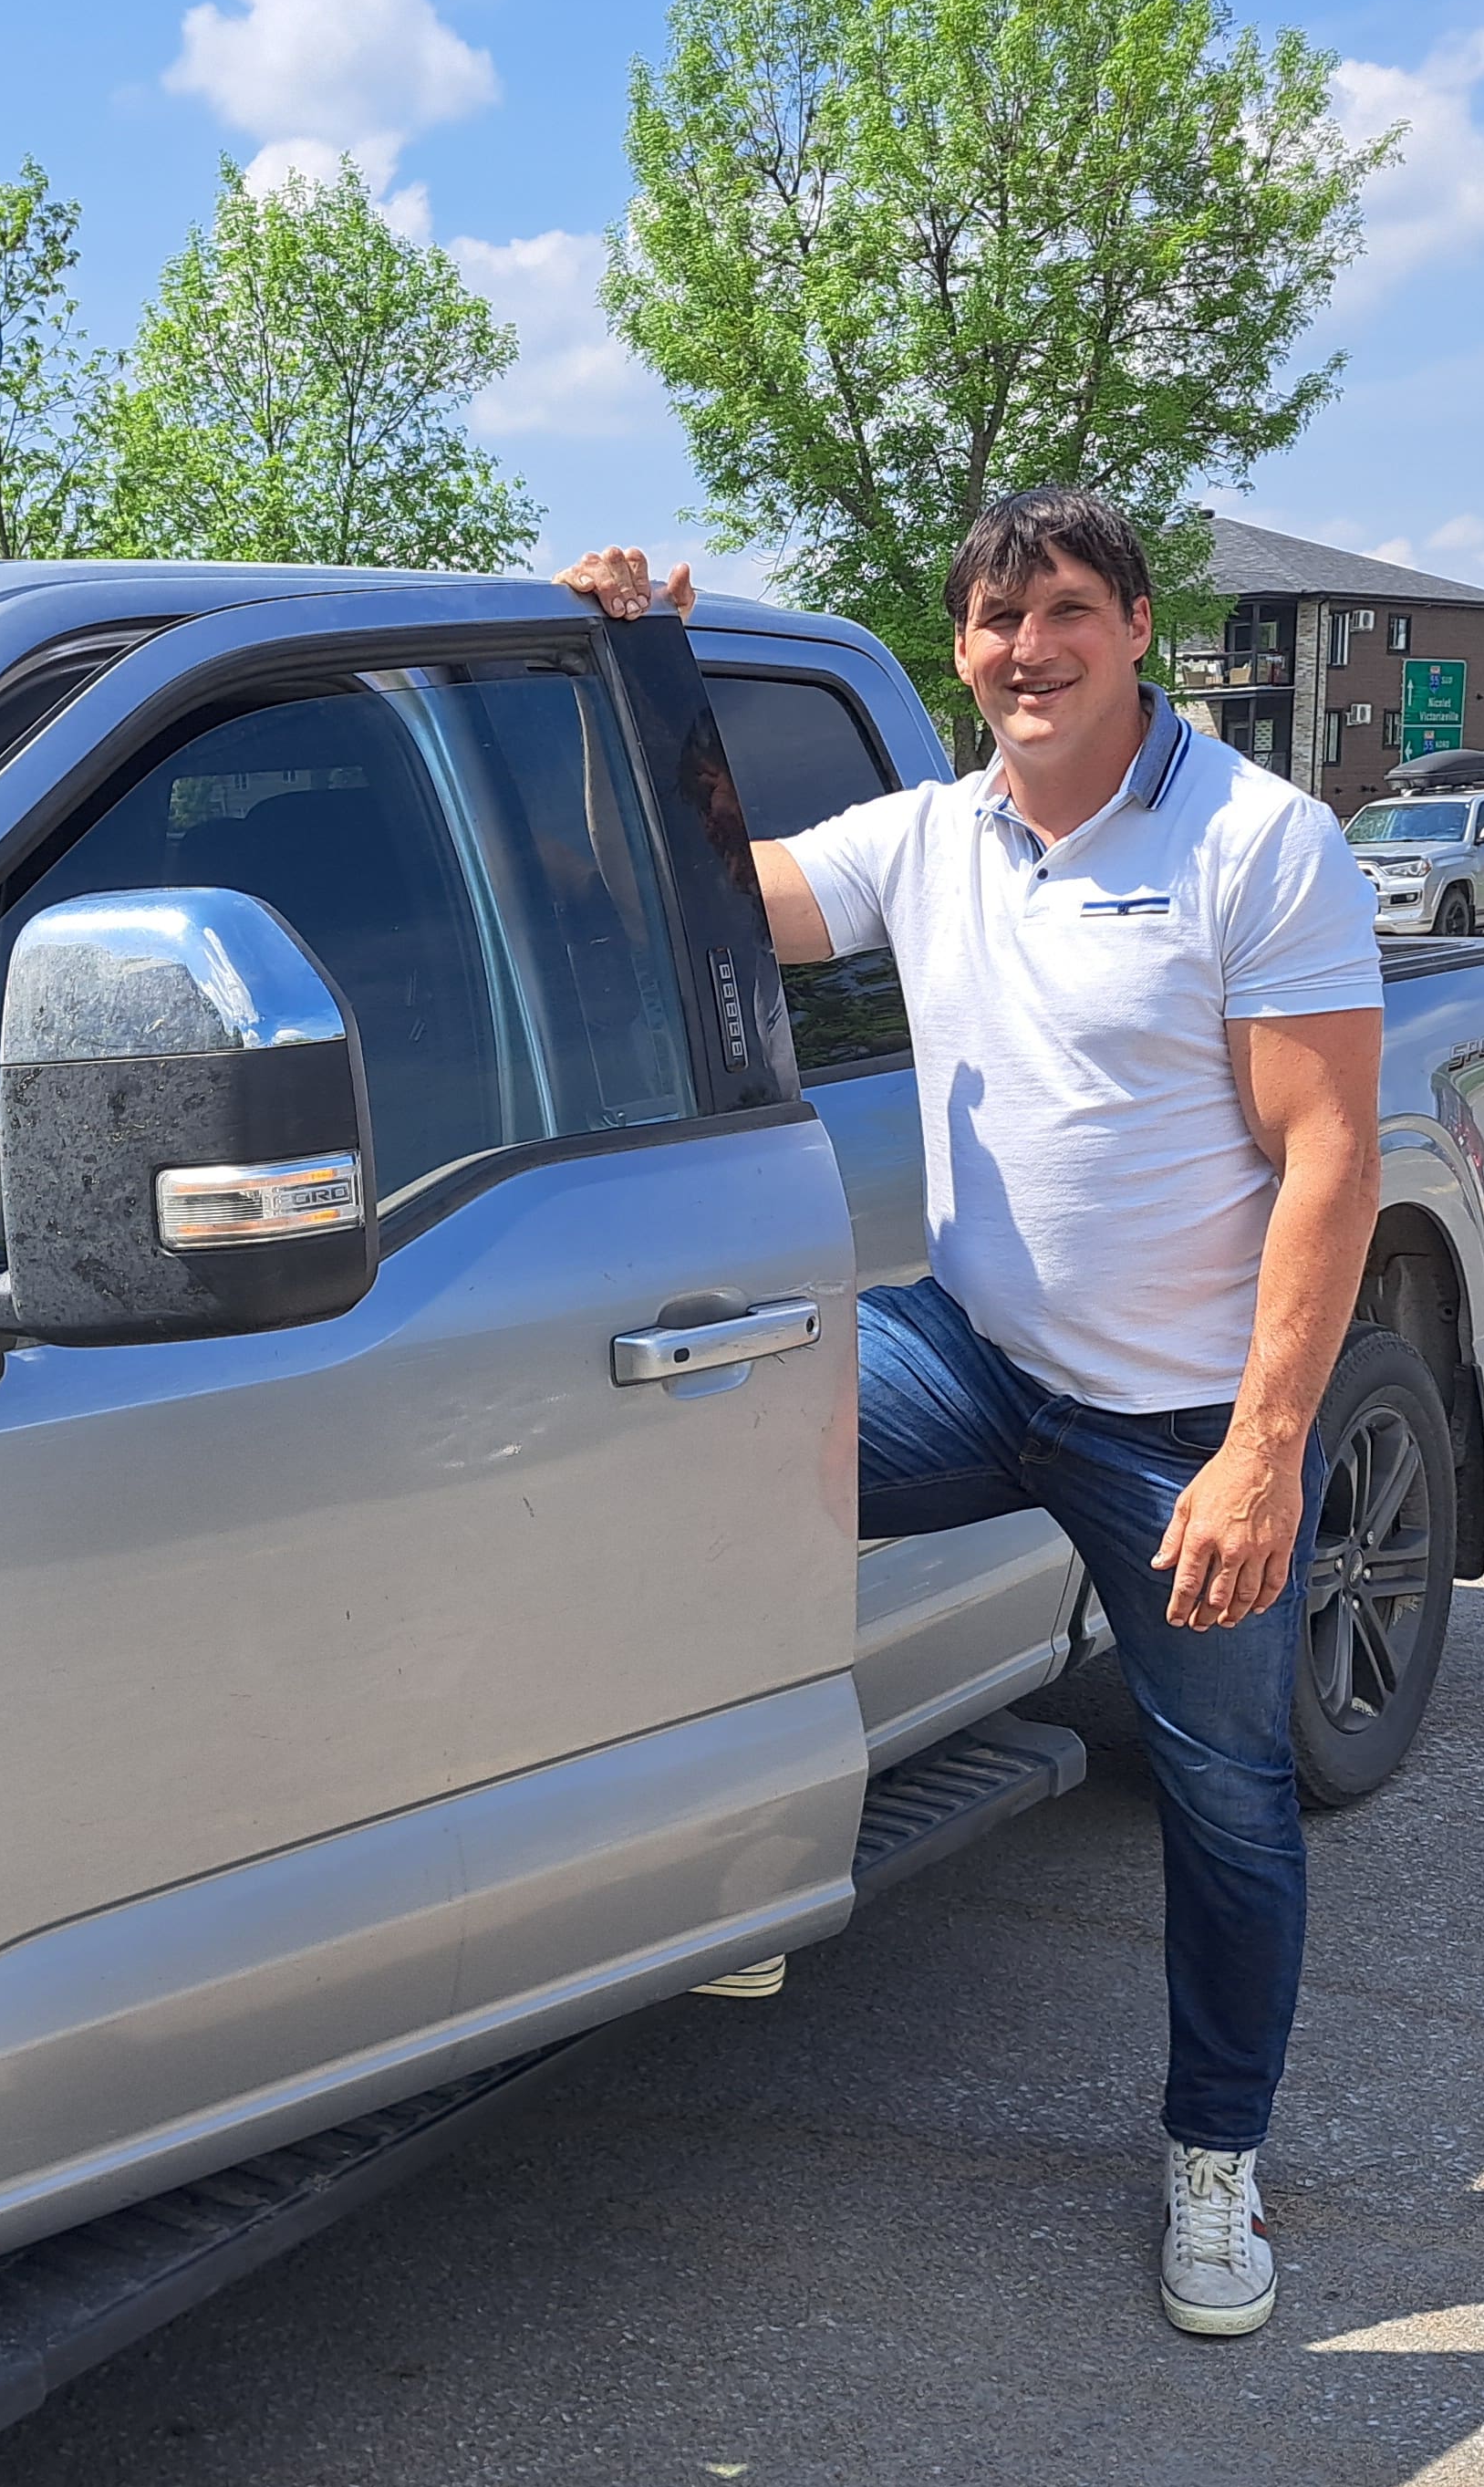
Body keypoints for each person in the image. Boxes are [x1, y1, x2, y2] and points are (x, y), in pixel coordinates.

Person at [560, 490, 1383, 2339]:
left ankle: (1216, 2158)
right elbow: (712, 884)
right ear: (959, 649)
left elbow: (1328, 1158)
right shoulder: (932, 836)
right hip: (979, 1357)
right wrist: (633, 665)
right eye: (1000, 619)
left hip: (1178, 1426)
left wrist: (1263, 1455)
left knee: (1225, 1802)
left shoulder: (1256, 841)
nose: (1033, 649)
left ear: (1138, 626)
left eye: (1069, 609)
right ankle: (754, 1875)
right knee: (692, 1465)